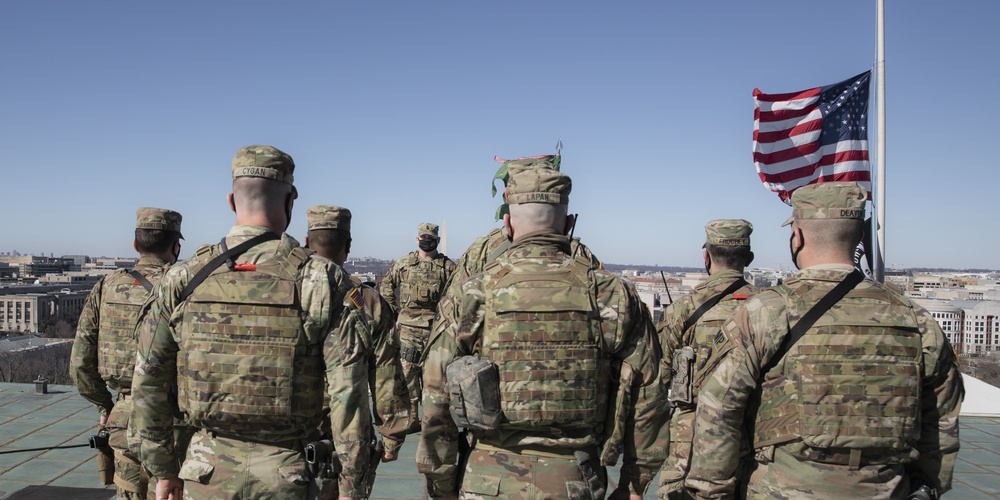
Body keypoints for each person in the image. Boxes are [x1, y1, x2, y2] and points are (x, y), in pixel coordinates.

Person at [685, 182, 965, 499]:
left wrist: (712, 492)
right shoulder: (917, 320)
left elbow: (719, 410)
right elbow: (942, 420)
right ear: (859, 237)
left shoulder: (766, 313)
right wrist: (927, 485)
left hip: (781, 489)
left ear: (797, 238)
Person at [131, 145, 371, 500]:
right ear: (290, 200)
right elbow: (348, 393)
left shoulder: (183, 278)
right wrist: (353, 486)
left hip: (205, 470)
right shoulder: (320, 279)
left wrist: (162, 469)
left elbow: (148, 380)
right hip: (288, 474)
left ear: (231, 201)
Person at [416, 162, 666, 500]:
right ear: (570, 223)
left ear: (506, 223)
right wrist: (634, 486)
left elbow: (436, 396)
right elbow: (649, 392)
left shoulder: (473, 293)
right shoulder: (612, 295)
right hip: (577, 480)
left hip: (488, 482)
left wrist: (441, 486)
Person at [71, 207, 183, 499]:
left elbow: (81, 363)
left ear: (135, 245)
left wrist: (106, 408)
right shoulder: (187, 285)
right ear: (176, 245)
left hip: (126, 418)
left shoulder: (107, 286)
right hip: (178, 423)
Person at [656, 219, 757, 499]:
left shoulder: (684, 308)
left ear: (706, 256)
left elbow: (656, 378)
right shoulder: (771, 307)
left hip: (691, 445)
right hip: (755, 439)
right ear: (749, 258)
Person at [303, 205, 410, 464]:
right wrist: (391, 437)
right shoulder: (367, 300)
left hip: (292, 429)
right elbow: (386, 375)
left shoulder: (286, 290)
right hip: (348, 437)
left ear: (307, 242)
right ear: (348, 245)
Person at [379, 222, 455, 432]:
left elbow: (457, 294)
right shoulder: (404, 264)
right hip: (408, 329)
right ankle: (412, 419)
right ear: (417, 239)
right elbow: (386, 286)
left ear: (437, 240)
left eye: (430, 238)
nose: (426, 241)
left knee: (436, 377)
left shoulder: (448, 267)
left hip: (436, 330)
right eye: (423, 237)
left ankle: (433, 420)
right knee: (407, 375)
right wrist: (393, 313)